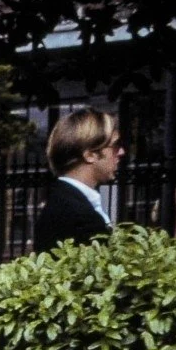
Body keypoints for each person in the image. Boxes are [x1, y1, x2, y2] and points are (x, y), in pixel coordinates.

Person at [33, 107, 121, 254]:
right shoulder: (78, 216)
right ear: (89, 155)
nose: (121, 152)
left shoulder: (64, 202)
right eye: (115, 146)